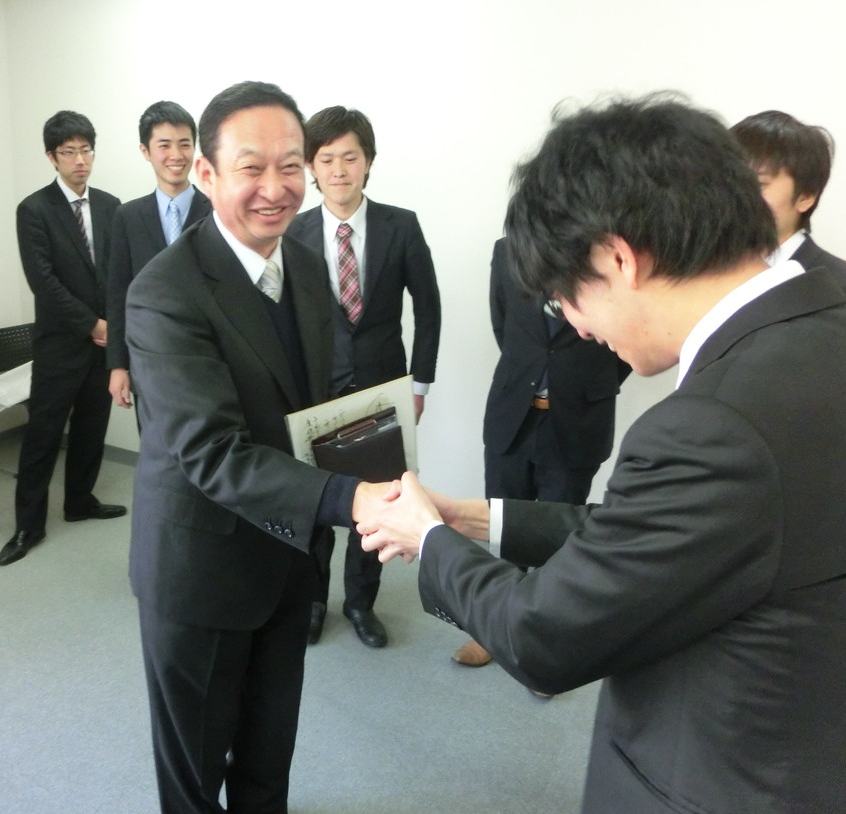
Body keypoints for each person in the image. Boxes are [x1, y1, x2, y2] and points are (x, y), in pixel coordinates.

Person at [358, 95, 846, 813]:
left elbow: (540, 637)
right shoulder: (822, 314)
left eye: (567, 297)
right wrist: (472, 518)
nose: (578, 328)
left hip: (722, 775)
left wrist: (427, 539)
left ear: (618, 258)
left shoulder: (708, 425)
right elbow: (667, 537)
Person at [125, 81, 389, 814]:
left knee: (269, 754)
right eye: (251, 167)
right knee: (194, 772)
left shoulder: (302, 264)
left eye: (291, 165)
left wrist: (381, 465)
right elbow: (213, 452)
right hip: (201, 568)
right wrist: (355, 499)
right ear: (206, 174)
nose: (276, 188)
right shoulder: (165, 292)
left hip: (288, 556)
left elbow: (318, 405)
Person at [287, 106, 441, 648]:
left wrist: (419, 385)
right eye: (326, 158)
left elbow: (428, 307)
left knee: (376, 506)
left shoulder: (402, 225)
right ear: (311, 166)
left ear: (368, 162)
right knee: (314, 503)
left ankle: (359, 603)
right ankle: (312, 601)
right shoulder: (294, 231)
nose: (339, 169)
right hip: (315, 392)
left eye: (350, 157)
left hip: (384, 389)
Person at [453, 236, 629, 667]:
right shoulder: (508, 252)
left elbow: (624, 343)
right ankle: (493, 630)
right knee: (500, 523)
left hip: (577, 419)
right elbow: (503, 324)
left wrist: (586, 382)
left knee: (559, 537)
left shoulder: (613, 257)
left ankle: (544, 647)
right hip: (514, 412)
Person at [0, 111, 125, 567]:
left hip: (104, 345)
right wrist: (92, 324)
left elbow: (117, 273)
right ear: (52, 157)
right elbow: (43, 281)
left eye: (86, 150)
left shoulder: (111, 206)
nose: (80, 160)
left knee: (92, 428)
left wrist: (113, 324)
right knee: (43, 436)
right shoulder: (34, 209)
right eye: (69, 152)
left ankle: (80, 501)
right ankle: (27, 526)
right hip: (59, 344)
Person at [105, 100, 211, 411]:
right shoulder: (127, 216)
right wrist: (118, 365)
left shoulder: (217, 212)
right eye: (164, 145)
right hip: (149, 362)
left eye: (184, 144)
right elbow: (118, 294)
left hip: (210, 360)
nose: (176, 155)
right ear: (146, 151)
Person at [731, 110, 846, 278]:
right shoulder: (700, 273)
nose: (737, 195)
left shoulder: (838, 284)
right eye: (730, 181)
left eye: (759, 184)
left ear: (805, 197)